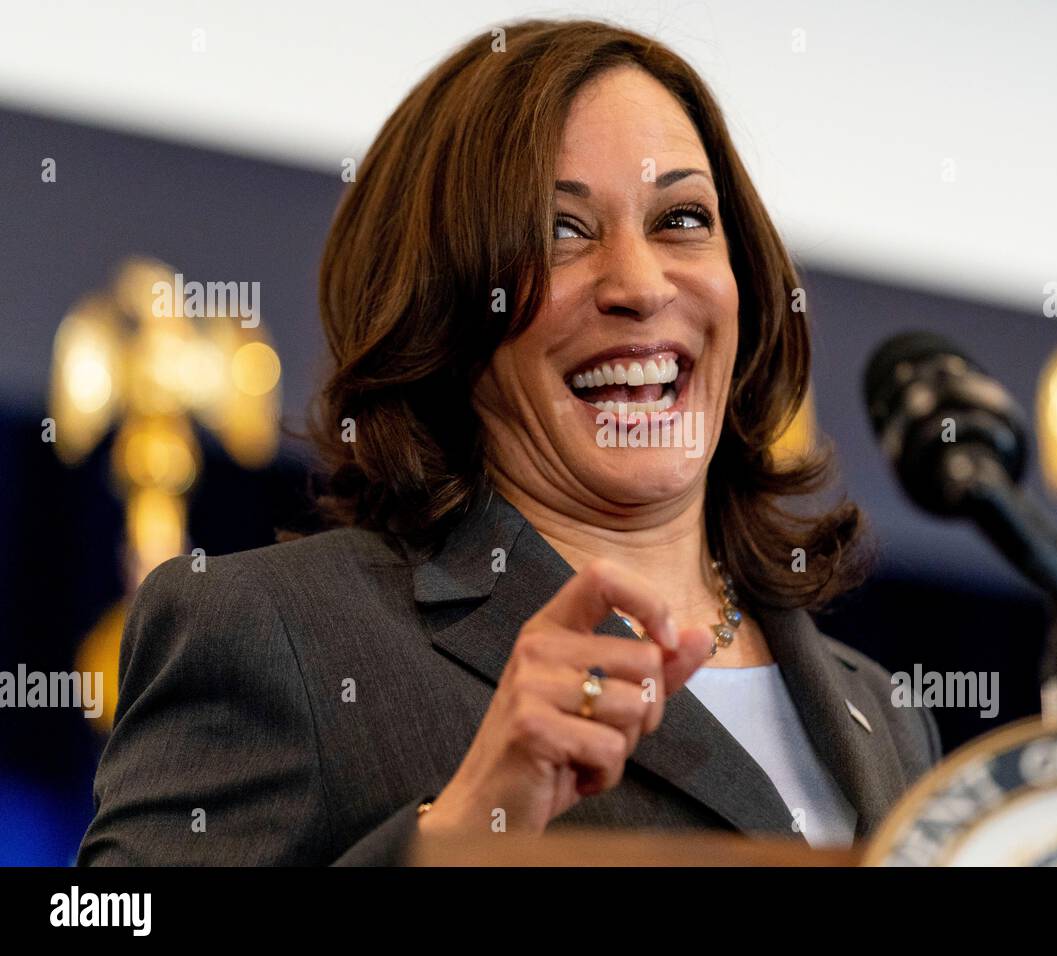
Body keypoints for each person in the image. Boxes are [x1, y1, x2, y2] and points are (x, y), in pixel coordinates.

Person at [78, 18, 940, 866]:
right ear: (442, 308)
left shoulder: (884, 713)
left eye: (680, 219)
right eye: (559, 230)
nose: (639, 285)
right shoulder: (277, 631)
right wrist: (460, 830)